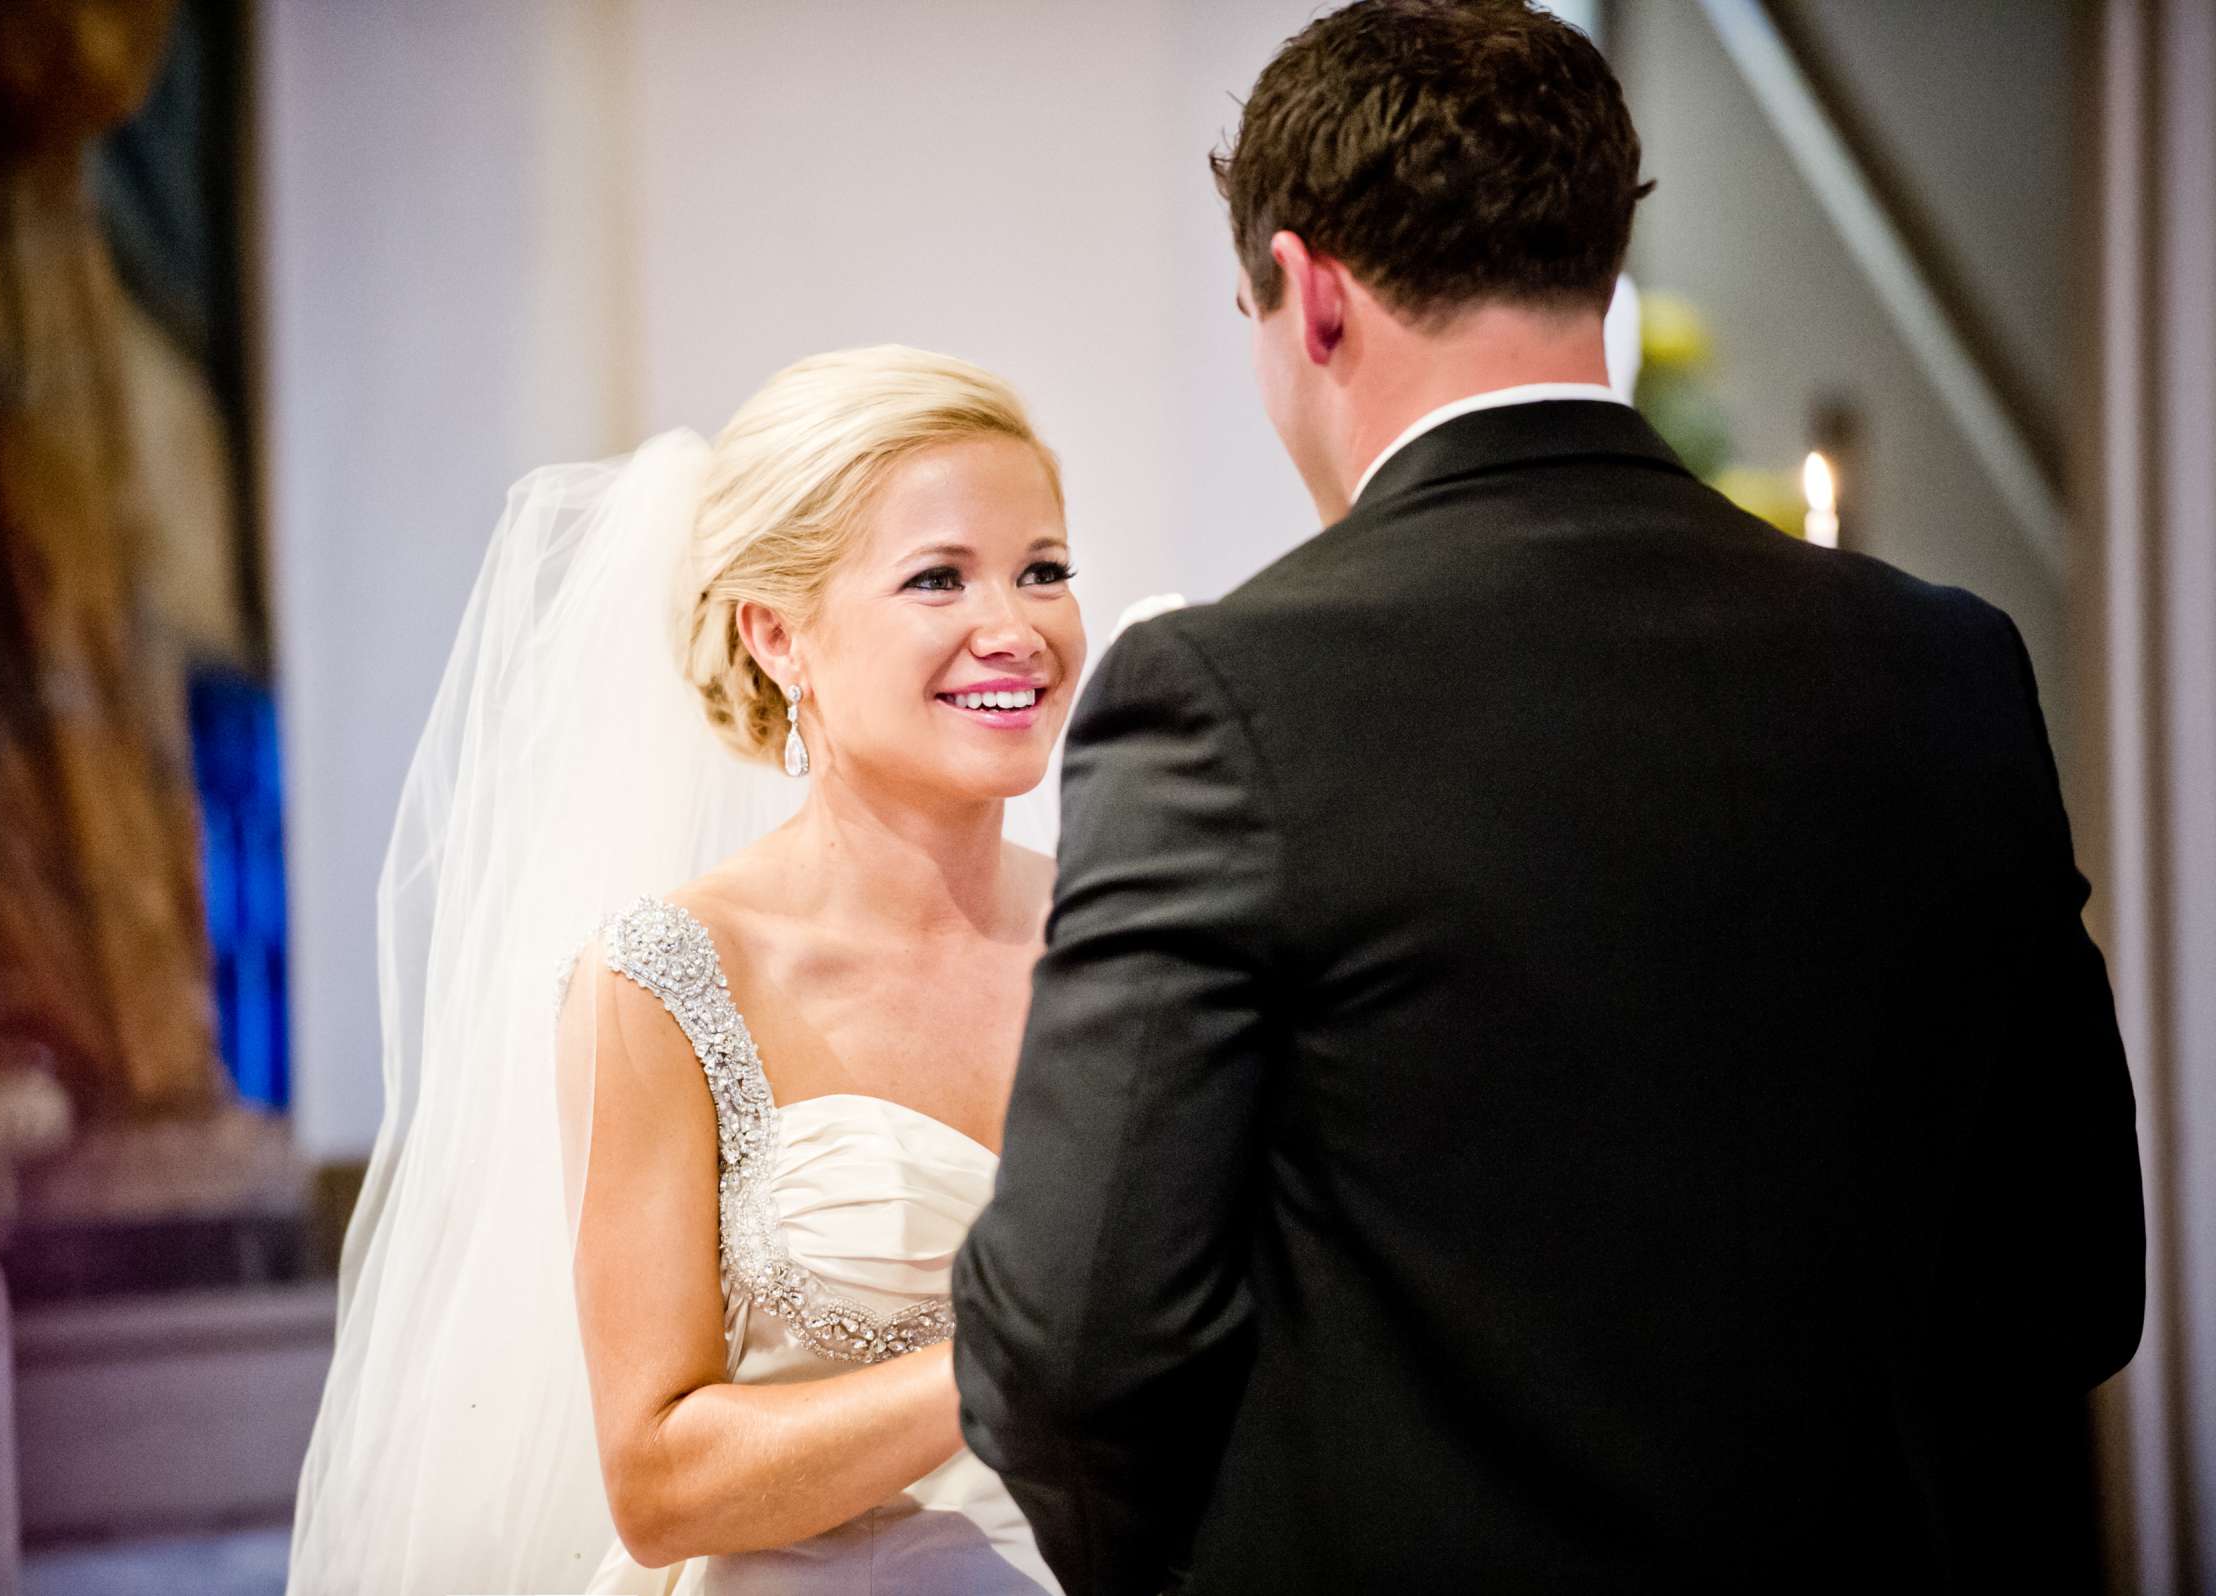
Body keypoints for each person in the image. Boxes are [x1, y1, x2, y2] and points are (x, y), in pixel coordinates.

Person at [950, 4, 2147, 1592]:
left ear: (1307, 297)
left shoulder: (1227, 702)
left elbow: (1075, 1345)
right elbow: (2075, 1279)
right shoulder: (1946, 669)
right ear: (1596, 257)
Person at [291, 346, 1079, 1593]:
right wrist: (1009, 1360)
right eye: (940, 578)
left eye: (1045, 570)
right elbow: (661, 1483)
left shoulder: (1118, 931)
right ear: (778, 635)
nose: (1016, 628)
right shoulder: (662, 980)